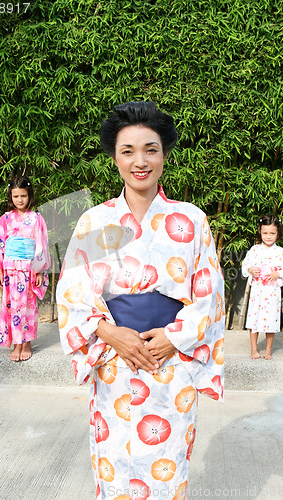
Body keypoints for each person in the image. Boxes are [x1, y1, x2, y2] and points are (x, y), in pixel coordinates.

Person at [56, 101, 225, 499]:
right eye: (127, 151)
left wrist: (173, 338)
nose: (140, 161)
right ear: (114, 158)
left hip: (171, 359)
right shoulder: (93, 220)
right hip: (114, 361)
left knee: (168, 463)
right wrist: (109, 333)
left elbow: (210, 295)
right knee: (113, 462)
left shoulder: (192, 219)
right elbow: (72, 291)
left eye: (150, 149)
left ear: (164, 154)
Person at [0, 175, 50, 361]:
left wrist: (39, 270)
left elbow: (41, 245)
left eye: (23, 196)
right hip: (10, 269)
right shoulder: (4, 219)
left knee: (28, 306)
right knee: (11, 306)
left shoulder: (37, 218)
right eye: (15, 197)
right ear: (10, 197)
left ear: (29, 195)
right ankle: (16, 343)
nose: (20, 200)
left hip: (29, 268)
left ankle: (27, 342)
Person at [242, 215, 283, 360]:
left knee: (271, 319)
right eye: (265, 233)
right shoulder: (254, 250)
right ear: (260, 232)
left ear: (278, 233)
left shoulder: (281, 252)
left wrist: (278, 273)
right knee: (254, 319)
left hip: (272, 291)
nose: (268, 236)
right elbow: (245, 265)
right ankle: (254, 349)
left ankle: (268, 350)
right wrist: (251, 270)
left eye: (272, 233)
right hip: (257, 290)